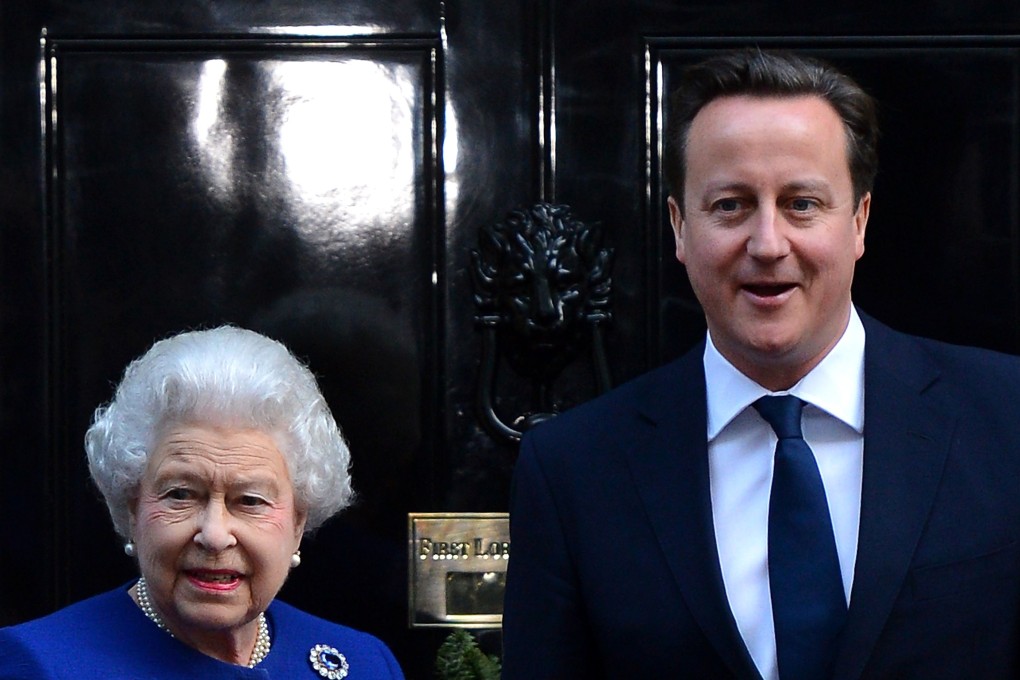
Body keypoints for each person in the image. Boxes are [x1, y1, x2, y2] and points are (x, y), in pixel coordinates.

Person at [501, 48, 1020, 679]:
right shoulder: (574, 469)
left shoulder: (1004, 420)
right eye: (731, 205)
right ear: (679, 228)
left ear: (858, 222)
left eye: (802, 203)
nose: (768, 244)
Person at [0, 326, 405, 679]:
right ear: (131, 507)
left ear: (298, 522)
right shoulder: (38, 664)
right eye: (180, 494)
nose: (214, 535)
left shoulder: (365, 662)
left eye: (249, 500)